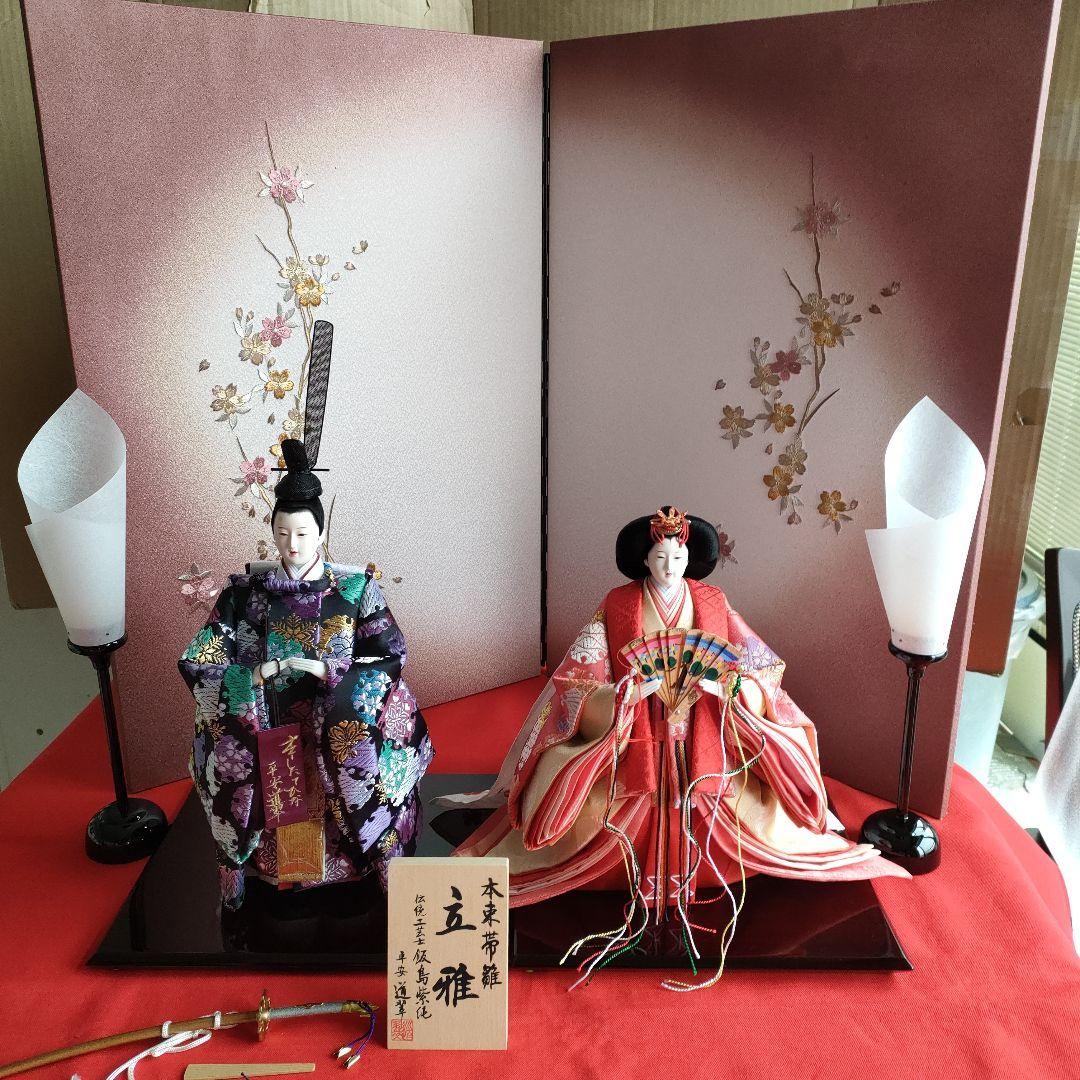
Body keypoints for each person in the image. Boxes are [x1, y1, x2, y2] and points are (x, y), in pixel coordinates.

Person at [447, 505, 906, 914]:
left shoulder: (712, 603)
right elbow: (578, 678)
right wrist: (621, 695)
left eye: (679, 558)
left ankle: (704, 865)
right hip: (636, 735)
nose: (670, 567)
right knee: (596, 818)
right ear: (644, 560)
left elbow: (757, 666)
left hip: (704, 730)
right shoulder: (618, 604)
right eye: (661, 557)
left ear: (691, 560)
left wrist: (730, 687)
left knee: (746, 817)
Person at [178, 439, 432, 909]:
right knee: (240, 756)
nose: (291, 546)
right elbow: (199, 661)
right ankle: (256, 865)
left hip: (333, 728)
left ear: (320, 531)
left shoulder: (356, 589)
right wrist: (250, 679)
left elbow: (391, 654)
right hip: (266, 729)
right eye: (282, 534)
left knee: (355, 748)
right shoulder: (242, 595)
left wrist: (333, 673)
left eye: (302, 533)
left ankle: (369, 858)